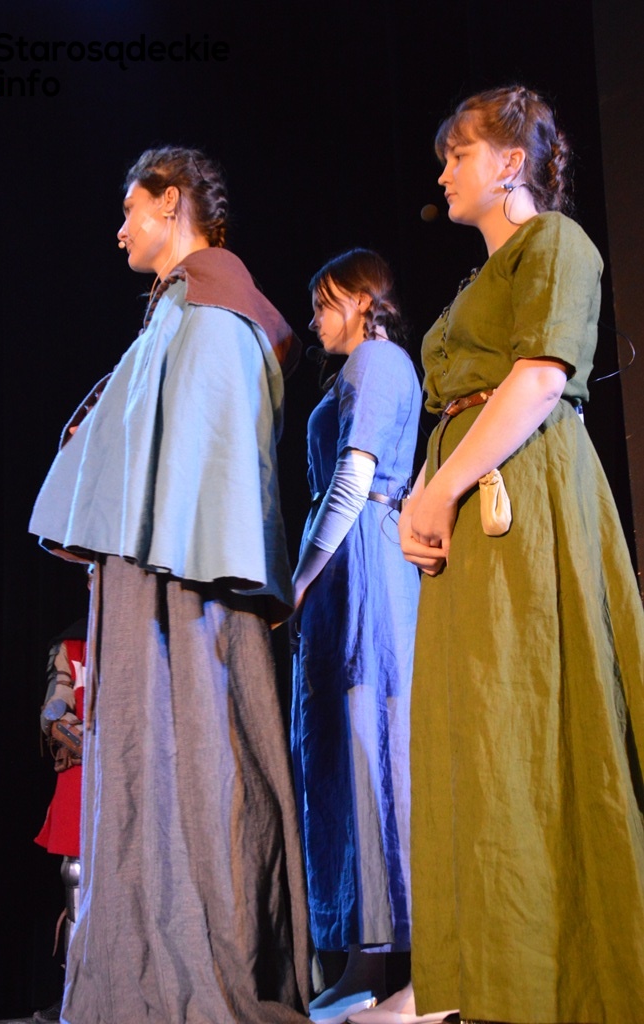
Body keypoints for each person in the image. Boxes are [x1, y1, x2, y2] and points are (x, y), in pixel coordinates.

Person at [29, 146, 310, 1024]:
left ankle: (193, 961)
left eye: (130, 211)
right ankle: (137, 968)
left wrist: (156, 538)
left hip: (184, 584)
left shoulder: (215, 304)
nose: (119, 232)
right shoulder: (176, 312)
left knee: (196, 754)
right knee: (143, 763)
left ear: (170, 201)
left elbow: (204, 459)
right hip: (148, 574)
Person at [399, 85, 644, 1024]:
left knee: (528, 718)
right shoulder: (479, 281)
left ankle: (566, 976)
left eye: (456, 154)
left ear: (510, 162)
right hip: (471, 500)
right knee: (478, 734)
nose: (442, 173)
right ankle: (492, 975)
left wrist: (439, 490)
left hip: (523, 497)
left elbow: (539, 379)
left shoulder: (555, 244)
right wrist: (425, 496)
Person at [290, 249, 420, 1024]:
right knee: (347, 755)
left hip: (362, 560)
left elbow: (354, 477)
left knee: (376, 747)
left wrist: (300, 578)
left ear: (361, 301)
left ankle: (413, 962)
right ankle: (364, 959)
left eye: (324, 303)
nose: (314, 320)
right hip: (345, 567)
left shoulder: (375, 361)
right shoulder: (360, 368)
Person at [33, 617, 88, 1024]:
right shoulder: (72, 645)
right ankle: (75, 993)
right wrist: (75, 734)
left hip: (139, 774)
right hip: (83, 771)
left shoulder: (150, 633)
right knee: (77, 875)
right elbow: (55, 708)